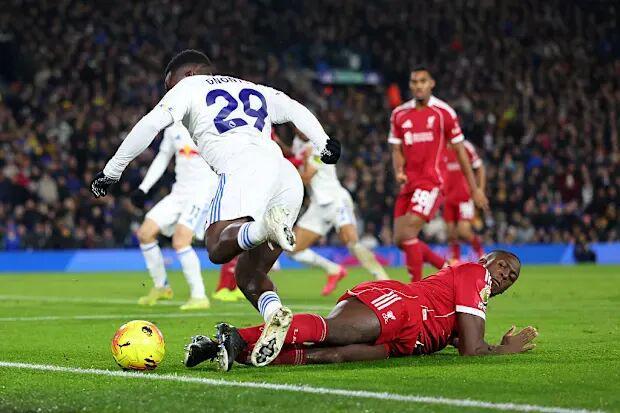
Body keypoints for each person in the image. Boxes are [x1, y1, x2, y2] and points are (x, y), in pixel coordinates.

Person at [89, 49, 341, 367]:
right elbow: (292, 107)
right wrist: (324, 142)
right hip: (285, 176)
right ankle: (275, 314)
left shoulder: (189, 87)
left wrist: (111, 171)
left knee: (217, 246)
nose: (169, 92)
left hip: (244, 166)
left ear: (189, 74)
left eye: (170, 85)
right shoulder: (252, 87)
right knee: (249, 274)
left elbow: (149, 124)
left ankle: (264, 227)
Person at [184, 250, 536, 370]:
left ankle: (231, 351)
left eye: (512, 277)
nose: (505, 274)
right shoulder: (474, 274)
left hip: (402, 342)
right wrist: (506, 350)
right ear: (484, 260)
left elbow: (462, 340)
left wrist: (492, 345)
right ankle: (236, 335)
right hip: (402, 306)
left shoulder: (472, 300)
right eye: (503, 265)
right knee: (335, 332)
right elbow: (472, 350)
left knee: (331, 355)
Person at [389, 67, 489, 281]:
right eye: (414, 82)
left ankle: (415, 289)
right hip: (408, 183)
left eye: (423, 81)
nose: (418, 86)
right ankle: (451, 271)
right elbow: (396, 149)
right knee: (399, 239)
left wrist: (475, 189)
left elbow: (461, 153)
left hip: (431, 182)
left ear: (431, 83)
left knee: (409, 233)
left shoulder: (444, 113)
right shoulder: (399, 114)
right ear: (410, 85)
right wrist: (399, 171)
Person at [286, 130, 390, 296]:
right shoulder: (297, 142)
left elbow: (305, 178)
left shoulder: (320, 145)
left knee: (351, 242)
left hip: (336, 201)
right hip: (318, 205)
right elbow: (292, 155)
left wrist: (286, 167)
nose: (303, 131)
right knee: (292, 249)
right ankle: (333, 269)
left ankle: (384, 280)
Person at [131, 123, 217, 310]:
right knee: (145, 233)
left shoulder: (208, 121)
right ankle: (161, 287)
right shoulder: (173, 126)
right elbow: (163, 157)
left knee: (180, 240)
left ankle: (199, 296)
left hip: (202, 193)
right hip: (179, 193)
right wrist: (144, 188)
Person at [442, 140, 486, 262]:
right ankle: (455, 261)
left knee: (463, 231)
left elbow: (480, 167)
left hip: (464, 197)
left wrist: (480, 190)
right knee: (451, 234)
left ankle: (481, 254)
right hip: (448, 198)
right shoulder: (440, 147)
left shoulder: (465, 146)